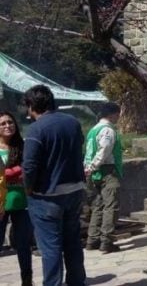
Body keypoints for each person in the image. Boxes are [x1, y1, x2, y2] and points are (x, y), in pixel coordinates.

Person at [22, 84, 86, 286]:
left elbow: (29, 165)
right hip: (75, 191)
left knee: (50, 247)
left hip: (46, 197)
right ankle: (77, 282)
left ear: (32, 105)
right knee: (73, 243)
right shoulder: (73, 123)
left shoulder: (36, 129)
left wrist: (28, 188)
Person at [0, 111, 34, 286]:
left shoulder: (24, 146)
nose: (7, 126)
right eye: (3, 123)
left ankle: (27, 281)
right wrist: (14, 172)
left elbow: (30, 168)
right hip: (0, 203)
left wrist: (10, 174)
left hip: (21, 202)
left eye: (10, 122)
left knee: (23, 246)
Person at [84, 102, 123, 253]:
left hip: (93, 173)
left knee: (98, 206)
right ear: (113, 114)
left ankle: (92, 240)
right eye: (118, 114)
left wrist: (88, 168)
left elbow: (88, 152)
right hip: (107, 171)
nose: (118, 117)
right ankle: (107, 241)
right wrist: (94, 166)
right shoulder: (108, 130)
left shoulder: (93, 130)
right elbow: (104, 150)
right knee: (110, 206)